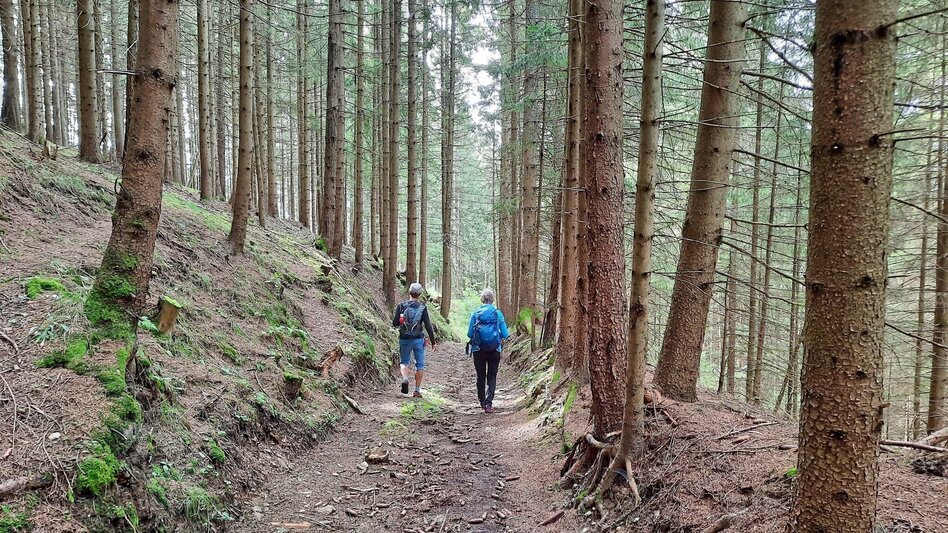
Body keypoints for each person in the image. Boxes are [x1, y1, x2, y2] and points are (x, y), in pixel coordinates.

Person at [467, 288, 509, 413]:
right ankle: (489, 402)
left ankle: (481, 401)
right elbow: (506, 334)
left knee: (481, 376)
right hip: (495, 349)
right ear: (492, 300)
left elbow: (469, 334)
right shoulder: (498, 313)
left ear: (482, 299)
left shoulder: (475, 313)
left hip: (478, 349)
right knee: (492, 375)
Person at [392, 282, 436, 397]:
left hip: (404, 338)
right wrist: (433, 342)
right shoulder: (422, 307)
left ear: (409, 292)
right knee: (420, 365)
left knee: (404, 362)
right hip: (418, 340)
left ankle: (405, 378)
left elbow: (395, 323)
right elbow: (428, 325)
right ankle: (416, 390)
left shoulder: (401, 306)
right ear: (420, 294)